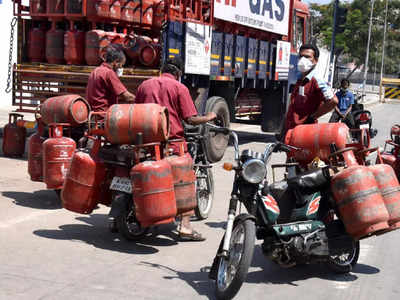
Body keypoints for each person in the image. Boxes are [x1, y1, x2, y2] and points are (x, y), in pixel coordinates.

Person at [135, 57, 216, 242]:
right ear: (178, 73)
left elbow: (137, 111)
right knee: (185, 180)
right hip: (172, 143)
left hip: (146, 142)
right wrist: (208, 117)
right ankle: (185, 226)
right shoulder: (180, 88)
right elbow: (190, 119)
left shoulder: (144, 85)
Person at [283, 44, 339, 136]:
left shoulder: (316, 80)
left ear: (315, 61)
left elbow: (333, 101)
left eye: (307, 57)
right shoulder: (299, 79)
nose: (303, 60)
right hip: (292, 132)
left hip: (305, 133)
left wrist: (312, 117)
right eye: (301, 56)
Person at [86, 45, 135, 112]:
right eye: (121, 65)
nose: (121, 68)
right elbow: (127, 96)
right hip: (104, 115)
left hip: (93, 114)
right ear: (116, 62)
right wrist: (141, 100)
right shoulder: (109, 73)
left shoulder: (96, 70)